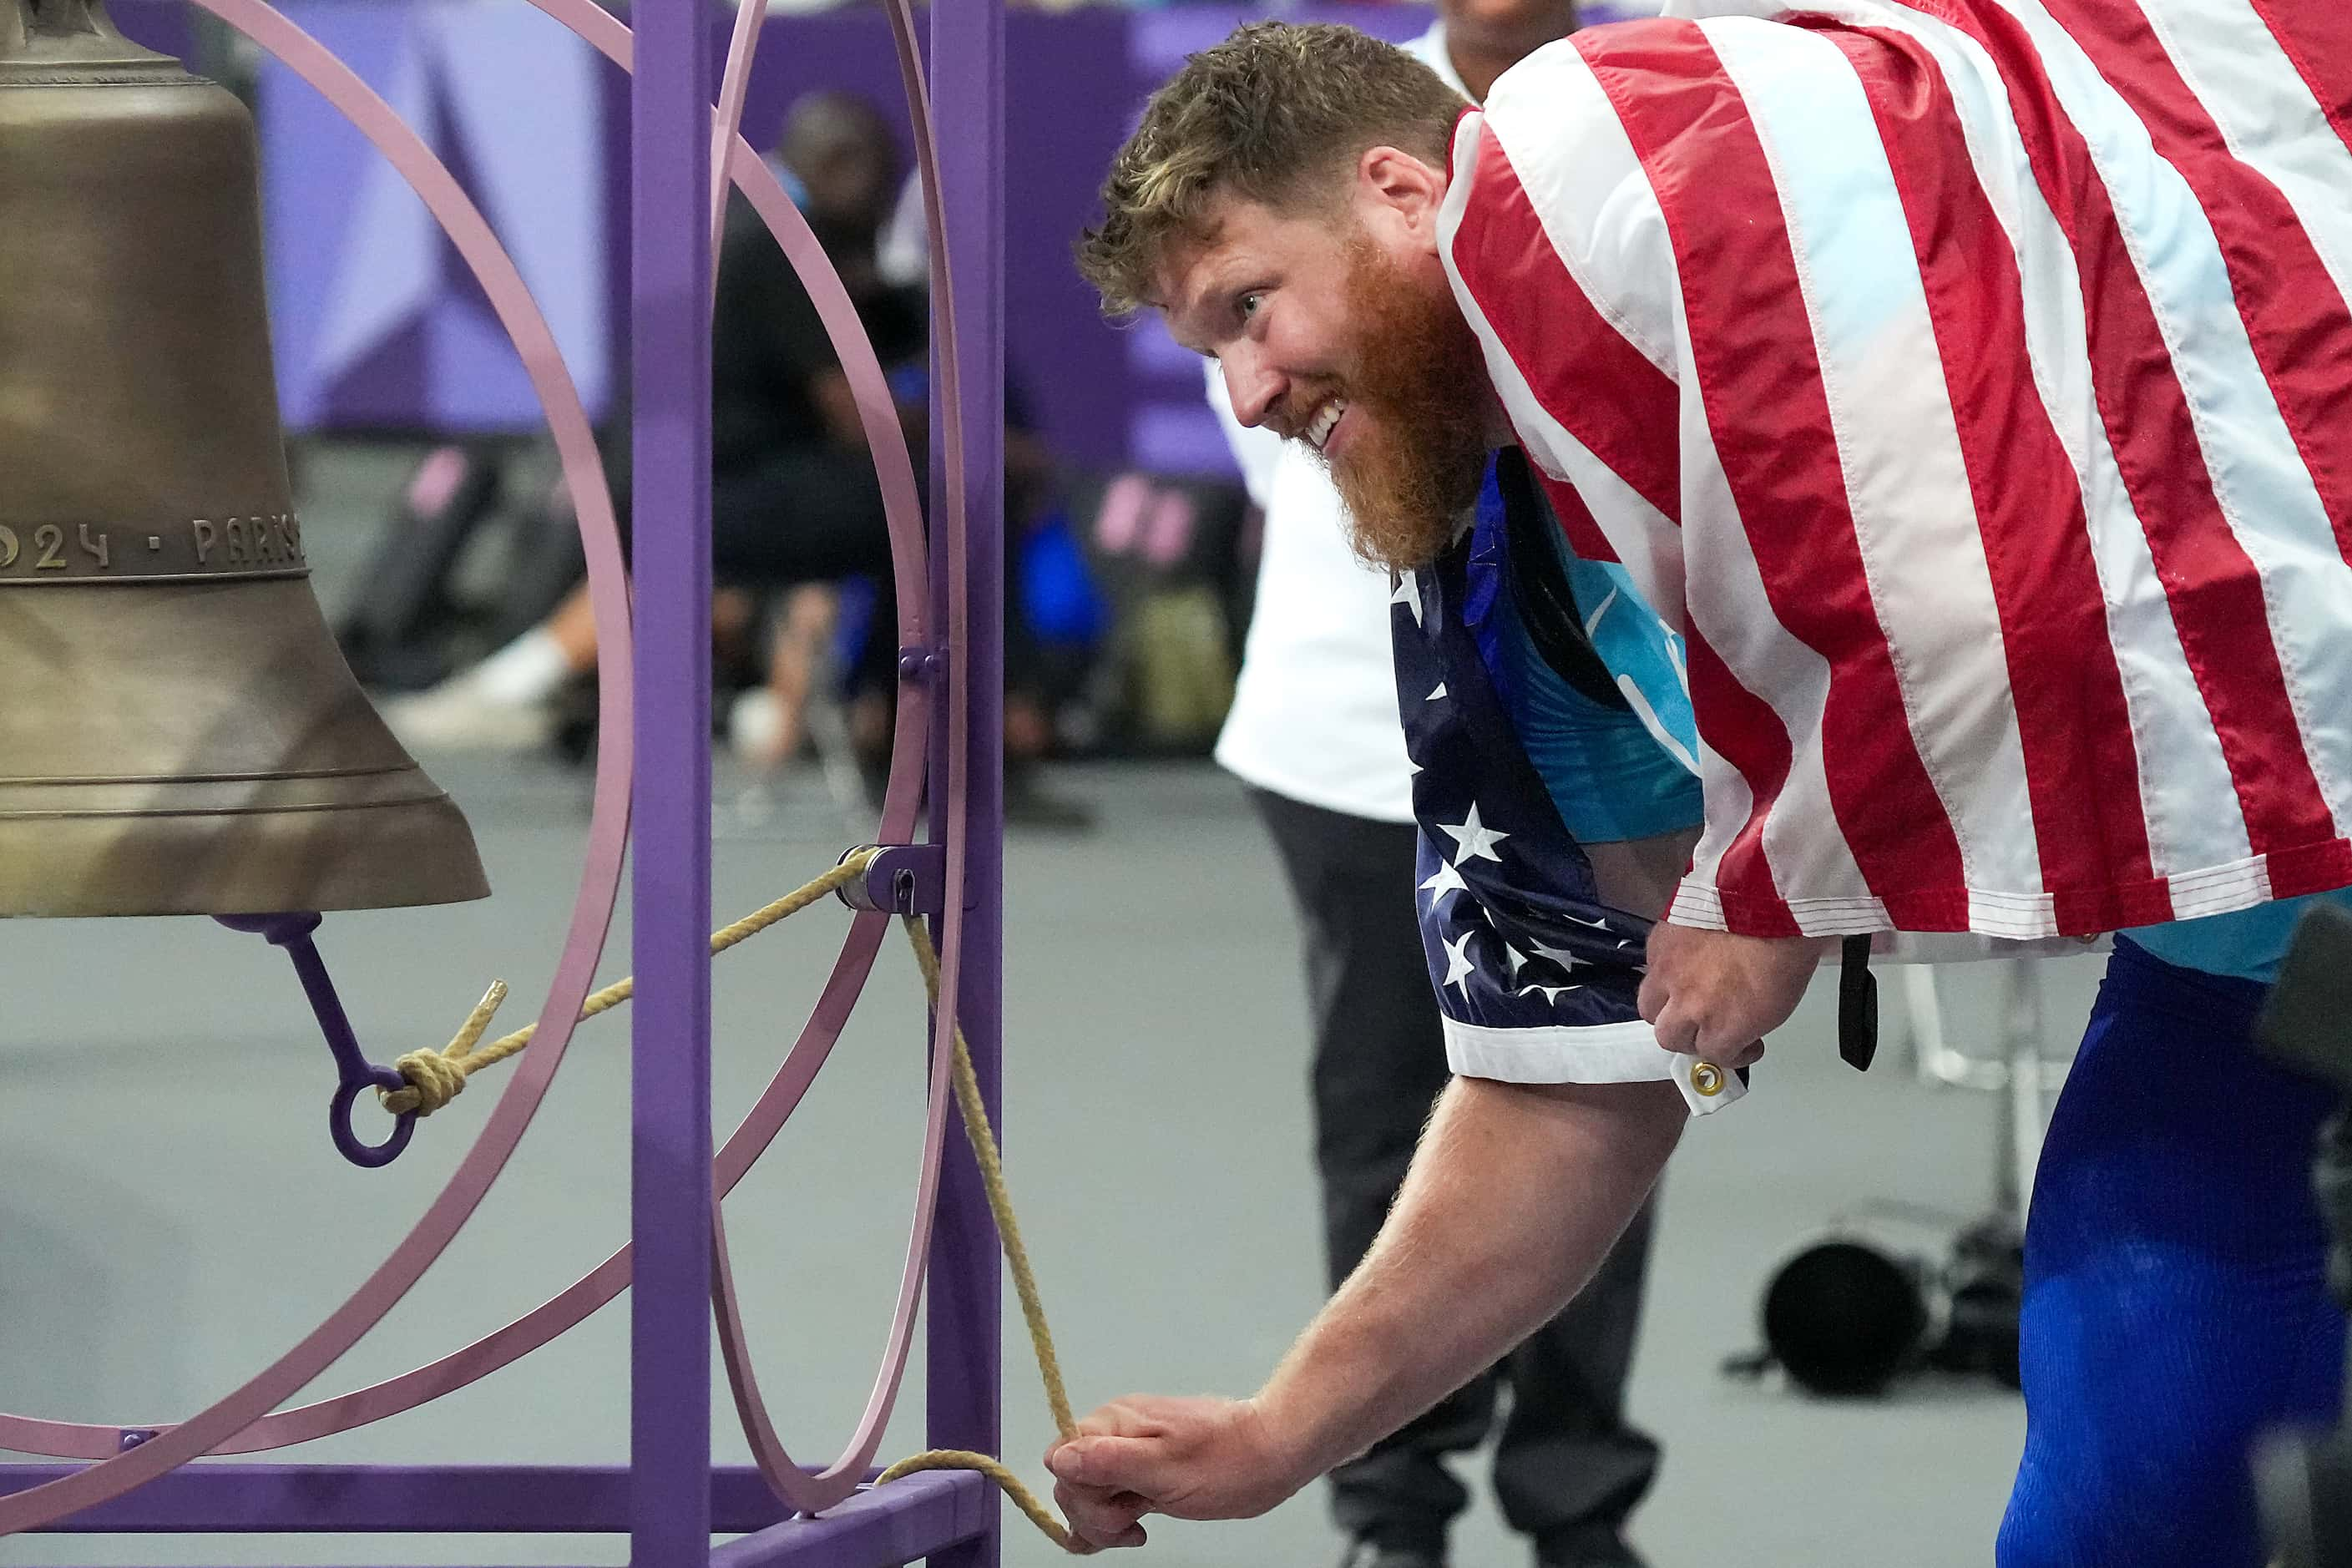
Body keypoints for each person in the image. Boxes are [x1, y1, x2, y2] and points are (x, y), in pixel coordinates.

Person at [1050, 6, 2352, 1566]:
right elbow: (1575, 1075)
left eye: (1250, 308)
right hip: (2261, 954)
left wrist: (1780, 881)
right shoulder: (1525, 585)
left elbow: (1984, 562)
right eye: (1212, 355)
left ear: (1410, 194)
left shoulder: (1671, 174)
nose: (1248, 396)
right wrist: (1283, 1431)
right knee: (2122, 1502)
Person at [1210, 5, 1668, 1566]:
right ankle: (1390, 1518)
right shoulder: (1314, 139)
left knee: (1614, 1065)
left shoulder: (1642, 114)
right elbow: (1281, 407)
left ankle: (1577, 1502)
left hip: (1616, 723)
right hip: (1351, 738)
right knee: (1389, 1116)